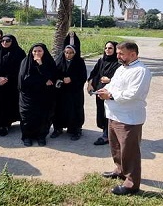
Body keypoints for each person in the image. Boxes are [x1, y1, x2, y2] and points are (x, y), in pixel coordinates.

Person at [96, 41, 151, 196]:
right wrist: (105, 90)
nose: (117, 56)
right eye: (117, 53)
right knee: (116, 147)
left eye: (121, 53)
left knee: (130, 151)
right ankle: (120, 170)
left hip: (129, 118)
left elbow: (132, 94)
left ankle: (131, 184)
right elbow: (113, 85)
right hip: (114, 115)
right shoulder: (121, 68)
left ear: (133, 54)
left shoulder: (141, 71)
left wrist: (110, 96)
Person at [18, 43, 58, 147]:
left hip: (44, 95)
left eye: (39, 51)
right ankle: (27, 137)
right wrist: (43, 81)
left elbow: (52, 78)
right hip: (28, 96)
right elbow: (25, 80)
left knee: (43, 117)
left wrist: (40, 64)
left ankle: (41, 136)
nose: (37, 53)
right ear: (31, 52)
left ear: (44, 52)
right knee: (27, 117)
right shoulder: (25, 62)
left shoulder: (49, 62)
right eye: (35, 51)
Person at [86, 41, 120, 145]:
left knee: (110, 114)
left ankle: (107, 136)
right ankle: (106, 133)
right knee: (102, 113)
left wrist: (110, 80)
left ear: (115, 50)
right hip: (99, 93)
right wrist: (90, 84)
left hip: (111, 94)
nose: (107, 50)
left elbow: (122, 80)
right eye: (106, 48)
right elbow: (93, 74)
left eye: (110, 48)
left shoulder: (119, 64)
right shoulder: (101, 61)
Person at [51, 44, 87, 140]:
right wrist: (61, 79)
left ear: (74, 53)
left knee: (74, 110)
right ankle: (58, 128)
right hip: (61, 92)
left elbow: (83, 77)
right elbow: (54, 74)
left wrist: (71, 79)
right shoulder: (59, 61)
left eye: (71, 53)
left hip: (74, 92)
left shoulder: (79, 62)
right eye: (66, 52)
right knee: (59, 109)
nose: (68, 55)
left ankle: (76, 130)